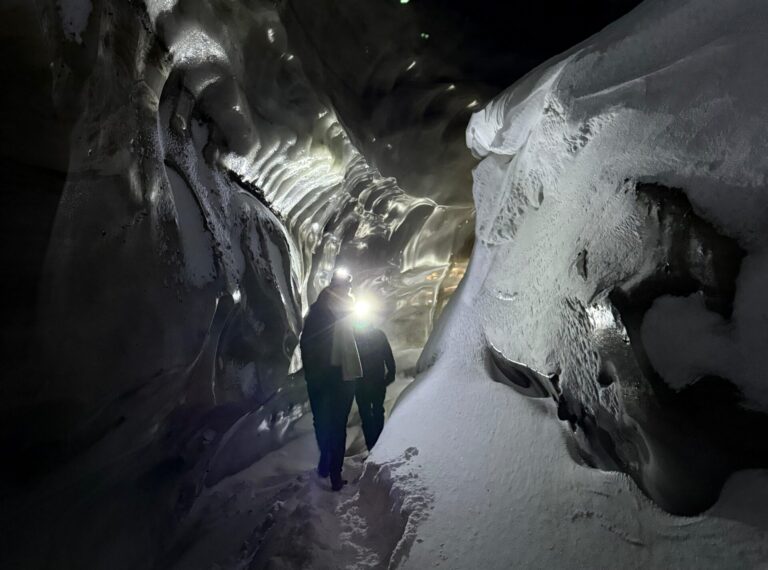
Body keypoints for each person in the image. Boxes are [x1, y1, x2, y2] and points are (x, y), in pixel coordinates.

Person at [300, 268, 362, 491]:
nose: (347, 290)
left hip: (344, 376)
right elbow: (307, 343)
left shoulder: (350, 311)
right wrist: (313, 374)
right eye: (344, 286)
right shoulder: (319, 311)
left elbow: (356, 341)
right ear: (334, 286)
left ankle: (334, 472)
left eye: (348, 286)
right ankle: (326, 460)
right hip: (323, 377)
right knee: (323, 422)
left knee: (337, 425)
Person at [353, 319, 396, 451]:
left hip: (369, 382)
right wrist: (390, 374)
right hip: (368, 382)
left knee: (372, 413)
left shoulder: (356, 338)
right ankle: (375, 447)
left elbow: (387, 355)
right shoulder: (354, 338)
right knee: (372, 413)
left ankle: (376, 447)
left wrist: (390, 374)